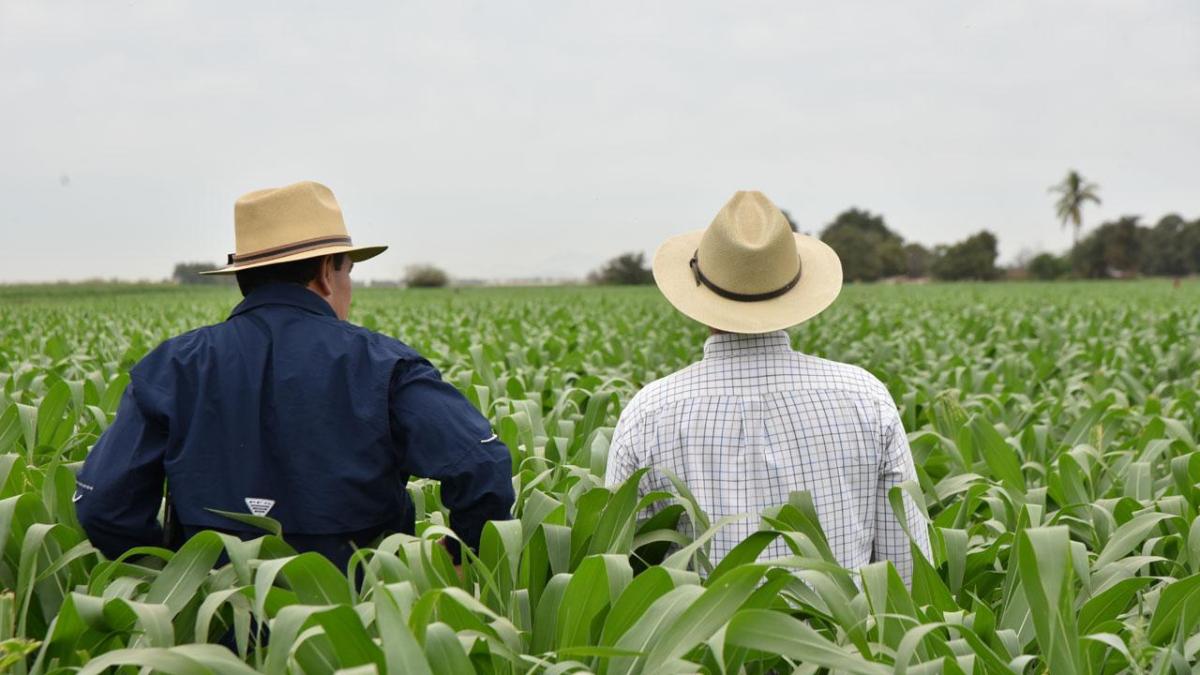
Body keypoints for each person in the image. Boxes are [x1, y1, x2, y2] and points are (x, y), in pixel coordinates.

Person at [74, 180, 514, 569]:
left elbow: (101, 507)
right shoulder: (383, 364)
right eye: (348, 270)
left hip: (214, 633)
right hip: (356, 631)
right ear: (327, 272)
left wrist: (176, 577)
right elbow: (481, 464)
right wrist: (461, 558)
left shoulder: (173, 366)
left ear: (244, 277)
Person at [605, 191, 931, 584]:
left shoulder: (650, 412)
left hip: (700, 642)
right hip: (844, 642)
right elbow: (907, 568)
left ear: (700, 295)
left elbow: (624, 569)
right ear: (792, 292)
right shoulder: (865, 396)